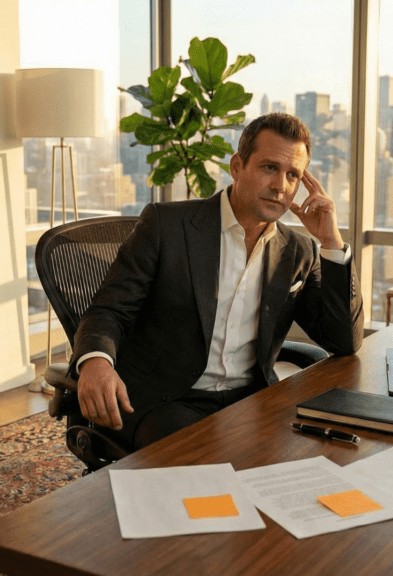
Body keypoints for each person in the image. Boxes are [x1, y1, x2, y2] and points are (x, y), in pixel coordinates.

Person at [70, 112, 364, 450]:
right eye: (269, 167)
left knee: (317, 454)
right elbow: (109, 310)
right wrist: (95, 362)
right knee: (202, 477)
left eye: (293, 175)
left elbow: (344, 340)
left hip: (250, 398)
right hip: (168, 400)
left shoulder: (298, 251)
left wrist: (331, 244)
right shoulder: (168, 226)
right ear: (237, 166)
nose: (280, 186)